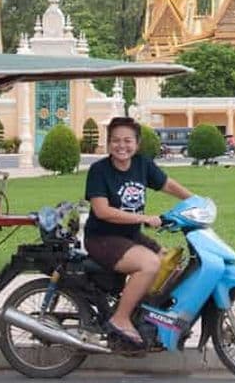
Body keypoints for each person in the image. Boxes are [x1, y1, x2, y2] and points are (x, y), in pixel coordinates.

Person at [84, 116, 193, 348]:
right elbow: (102, 211)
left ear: (137, 143)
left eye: (127, 141)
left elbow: (167, 184)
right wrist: (144, 218)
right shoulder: (99, 171)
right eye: (115, 141)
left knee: (169, 261)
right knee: (150, 264)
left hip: (129, 236)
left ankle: (143, 315)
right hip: (102, 238)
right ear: (108, 143)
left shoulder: (142, 164)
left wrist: (194, 200)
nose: (121, 146)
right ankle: (120, 319)